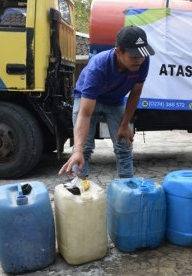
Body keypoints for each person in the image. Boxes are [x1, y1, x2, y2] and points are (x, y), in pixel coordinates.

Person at [59, 26, 155, 178]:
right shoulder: (98, 67)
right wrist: (77, 149)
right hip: (88, 98)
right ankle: (80, 189)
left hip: (115, 100)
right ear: (118, 52)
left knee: (123, 145)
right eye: (134, 56)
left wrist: (125, 125)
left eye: (142, 55)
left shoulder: (143, 61)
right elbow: (84, 114)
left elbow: (135, 93)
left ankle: (127, 189)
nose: (140, 59)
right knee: (83, 148)